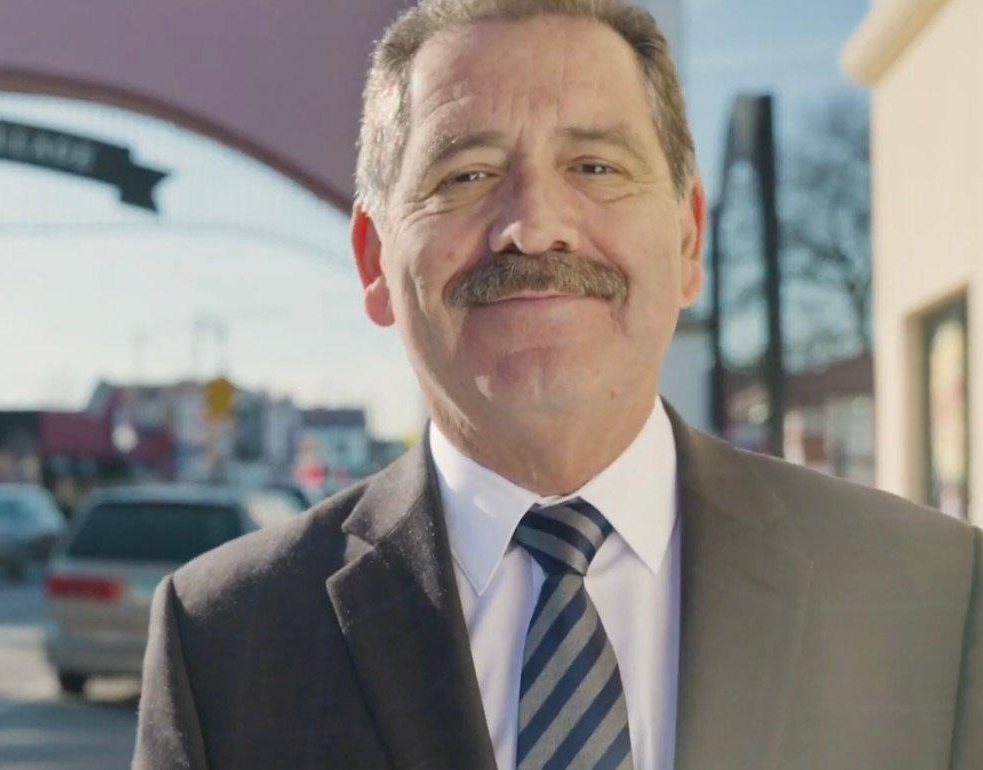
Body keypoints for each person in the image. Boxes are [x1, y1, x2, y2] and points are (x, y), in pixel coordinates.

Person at [132, 1, 982, 768]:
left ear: (687, 239)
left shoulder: (931, 597)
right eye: (464, 175)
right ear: (373, 261)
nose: (533, 225)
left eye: (596, 167)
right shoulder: (225, 639)